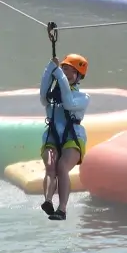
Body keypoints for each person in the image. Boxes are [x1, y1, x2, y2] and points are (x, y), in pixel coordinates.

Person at [39, 47, 89, 221]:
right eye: (64, 70)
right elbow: (42, 97)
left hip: (72, 137)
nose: (65, 74)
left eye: (70, 72)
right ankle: (47, 200)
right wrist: (49, 70)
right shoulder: (51, 97)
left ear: (78, 76)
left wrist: (58, 75)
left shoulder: (83, 97)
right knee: (51, 165)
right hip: (52, 135)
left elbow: (68, 104)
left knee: (62, 167)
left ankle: (62, 208)